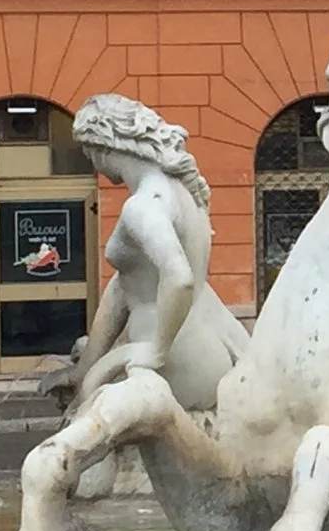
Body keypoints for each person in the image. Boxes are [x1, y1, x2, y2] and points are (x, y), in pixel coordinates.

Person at [64, 95, 248, 415]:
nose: (91, 162)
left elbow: (179, 278)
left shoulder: (144, 205)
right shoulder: (186, 193)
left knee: (105, 453)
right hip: (213, 339)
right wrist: (83, 374)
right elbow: (126, 286)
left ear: (103, 144)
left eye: (88, 152)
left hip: (171, 358)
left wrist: (157, 349)